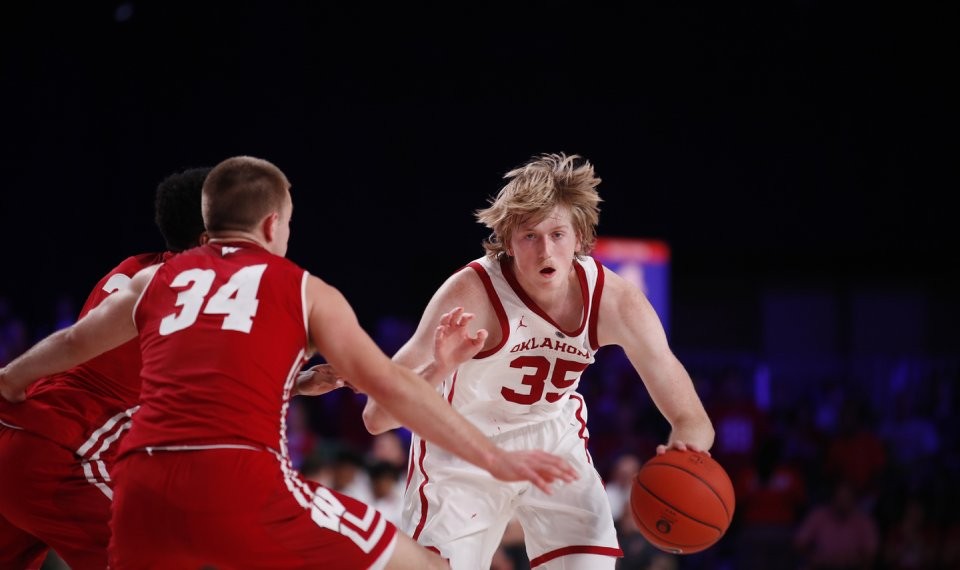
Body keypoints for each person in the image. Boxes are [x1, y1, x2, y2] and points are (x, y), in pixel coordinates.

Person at [0, 155, 578, 570]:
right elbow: (393, 392)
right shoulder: (302, 289)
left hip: (139, 479)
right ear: (274, 225)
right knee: (423, 565)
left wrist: (9, 380)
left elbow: (72, 344)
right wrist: (495, 457)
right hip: (224, 476)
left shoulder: (153, 277)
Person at [362, 152, 715, 569]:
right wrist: (439, 367)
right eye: (529, 235)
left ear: (580, 236)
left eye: (557, 234)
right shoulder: (470, 293)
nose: (545, 249)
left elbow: (692, 419)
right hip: (463, 443)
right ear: (507, 242)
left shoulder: (616, 300)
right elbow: (377, 416)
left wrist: (686, 449)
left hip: (551, 438)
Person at [0, 166, 210, 570]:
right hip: (60, 456)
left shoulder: (134, 265)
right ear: (208, 240)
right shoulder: (189, 294)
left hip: (17, 433)